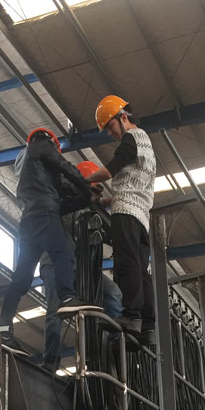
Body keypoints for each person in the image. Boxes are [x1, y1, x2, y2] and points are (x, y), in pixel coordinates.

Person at [0, 127, 101, 351]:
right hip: (44, 215)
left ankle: (4, 330)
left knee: (21, 278)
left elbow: (61, 200)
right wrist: (85, 187)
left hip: (29, 222)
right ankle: (67, 298)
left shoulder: (33, 171)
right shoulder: (41, 146)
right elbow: (65, 168)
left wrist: (86, 200)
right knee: (61, 254)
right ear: (52, 142)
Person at [84, 96, 156, 345]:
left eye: (111, 126)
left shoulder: (131, 138)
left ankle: (132, 315)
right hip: (141, 216)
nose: (110, 133)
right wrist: (105, 201)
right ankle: (148, 326)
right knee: (141, 269)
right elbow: (132, 184)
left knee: (126, 263)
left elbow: (109, 171)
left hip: (126, 213)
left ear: (123, 117)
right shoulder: (146, 143)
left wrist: (82, 180)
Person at [39, 160, 123, 370]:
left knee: (113, 293)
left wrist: (108, 202)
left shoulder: (87, 206)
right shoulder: (60, 201)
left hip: (82, 267)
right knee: (55, 311)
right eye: (91, 189)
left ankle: (116, 345)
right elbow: (71, 220)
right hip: (56, 265)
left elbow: (92, 210)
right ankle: (51, 361)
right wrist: (90, 200)